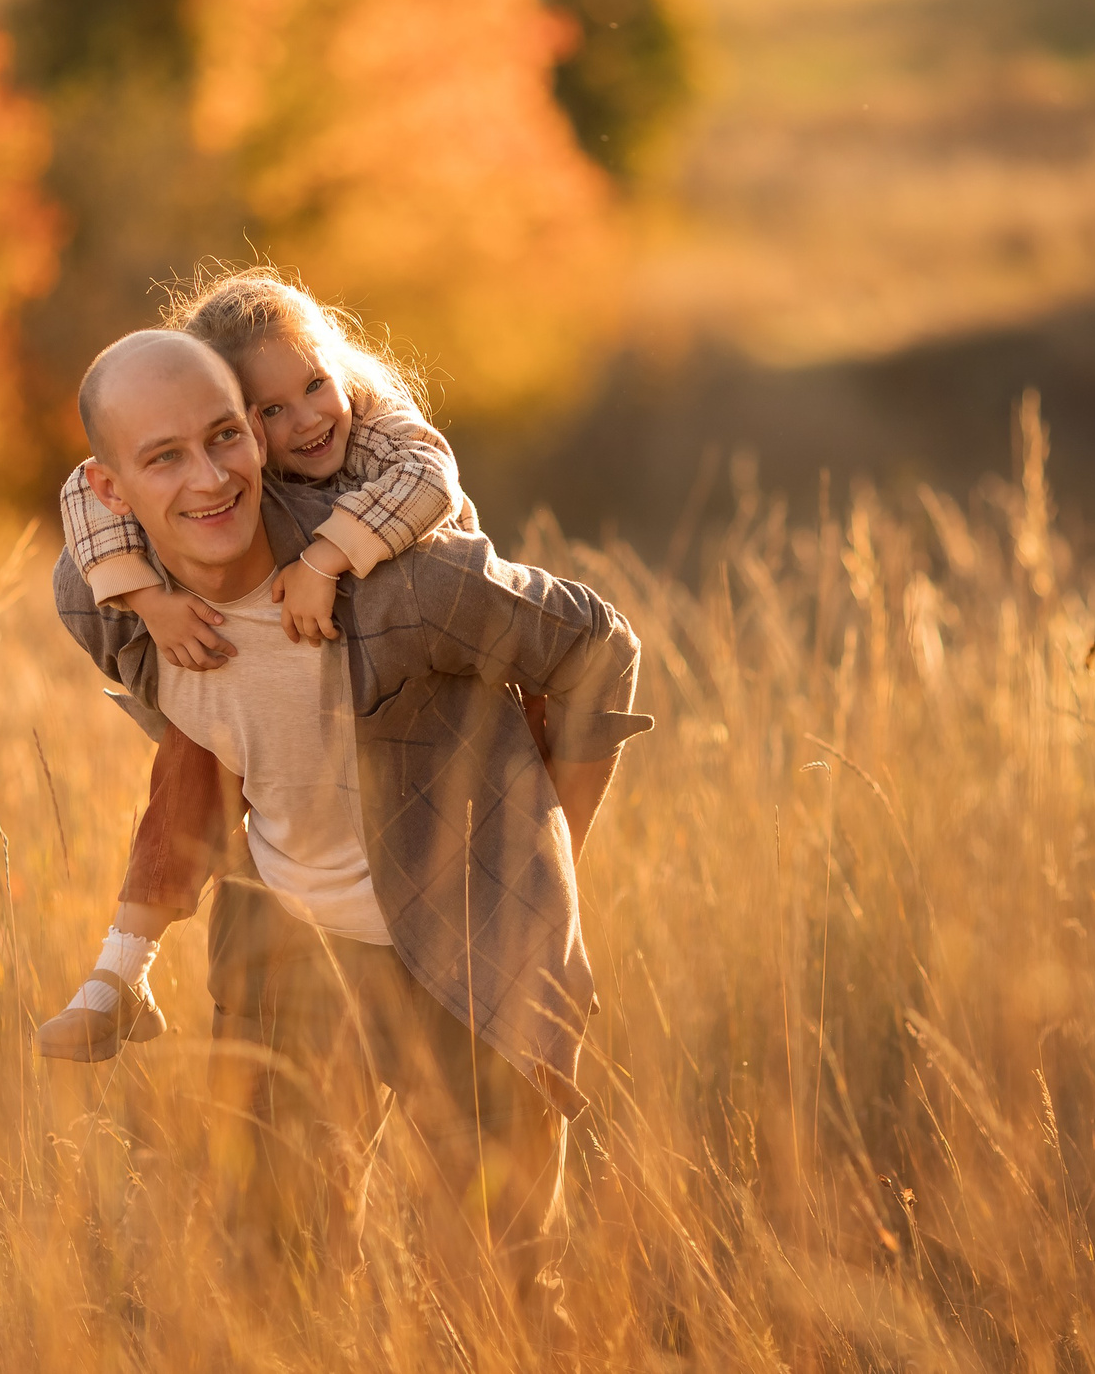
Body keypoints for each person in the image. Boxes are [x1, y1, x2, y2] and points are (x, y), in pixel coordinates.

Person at [40, 327, 649, 1321]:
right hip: (282, 942)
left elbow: (598, 649)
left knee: (501, 1287)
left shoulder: (411, 588)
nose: (208, 479)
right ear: (111, 490)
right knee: (273, 1275)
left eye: (225, 437)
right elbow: (197, 729)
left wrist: (546, 853)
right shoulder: (104, 603)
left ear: (254, 435)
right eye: (163, 458)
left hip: (469, 946)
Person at [39, 269, 501, 1061]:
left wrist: (324, 558)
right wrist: (147, 598)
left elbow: (432, 478)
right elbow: (86, 490)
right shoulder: (222, 473)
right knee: (197, 730)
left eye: (315, 384)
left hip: (418, 678)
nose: (305, 420)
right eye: (269, 412)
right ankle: (122, 969)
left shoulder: (374, 429)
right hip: (284, 781)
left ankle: (125, 968)